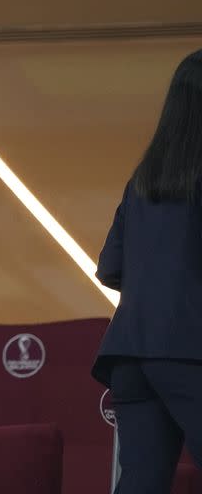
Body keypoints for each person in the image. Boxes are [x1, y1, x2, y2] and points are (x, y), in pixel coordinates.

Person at [93, 49, 202, 493]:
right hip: (192, 352)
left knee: (140, 482)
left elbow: (109, 268)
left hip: (131, 355)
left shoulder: (143, 180)